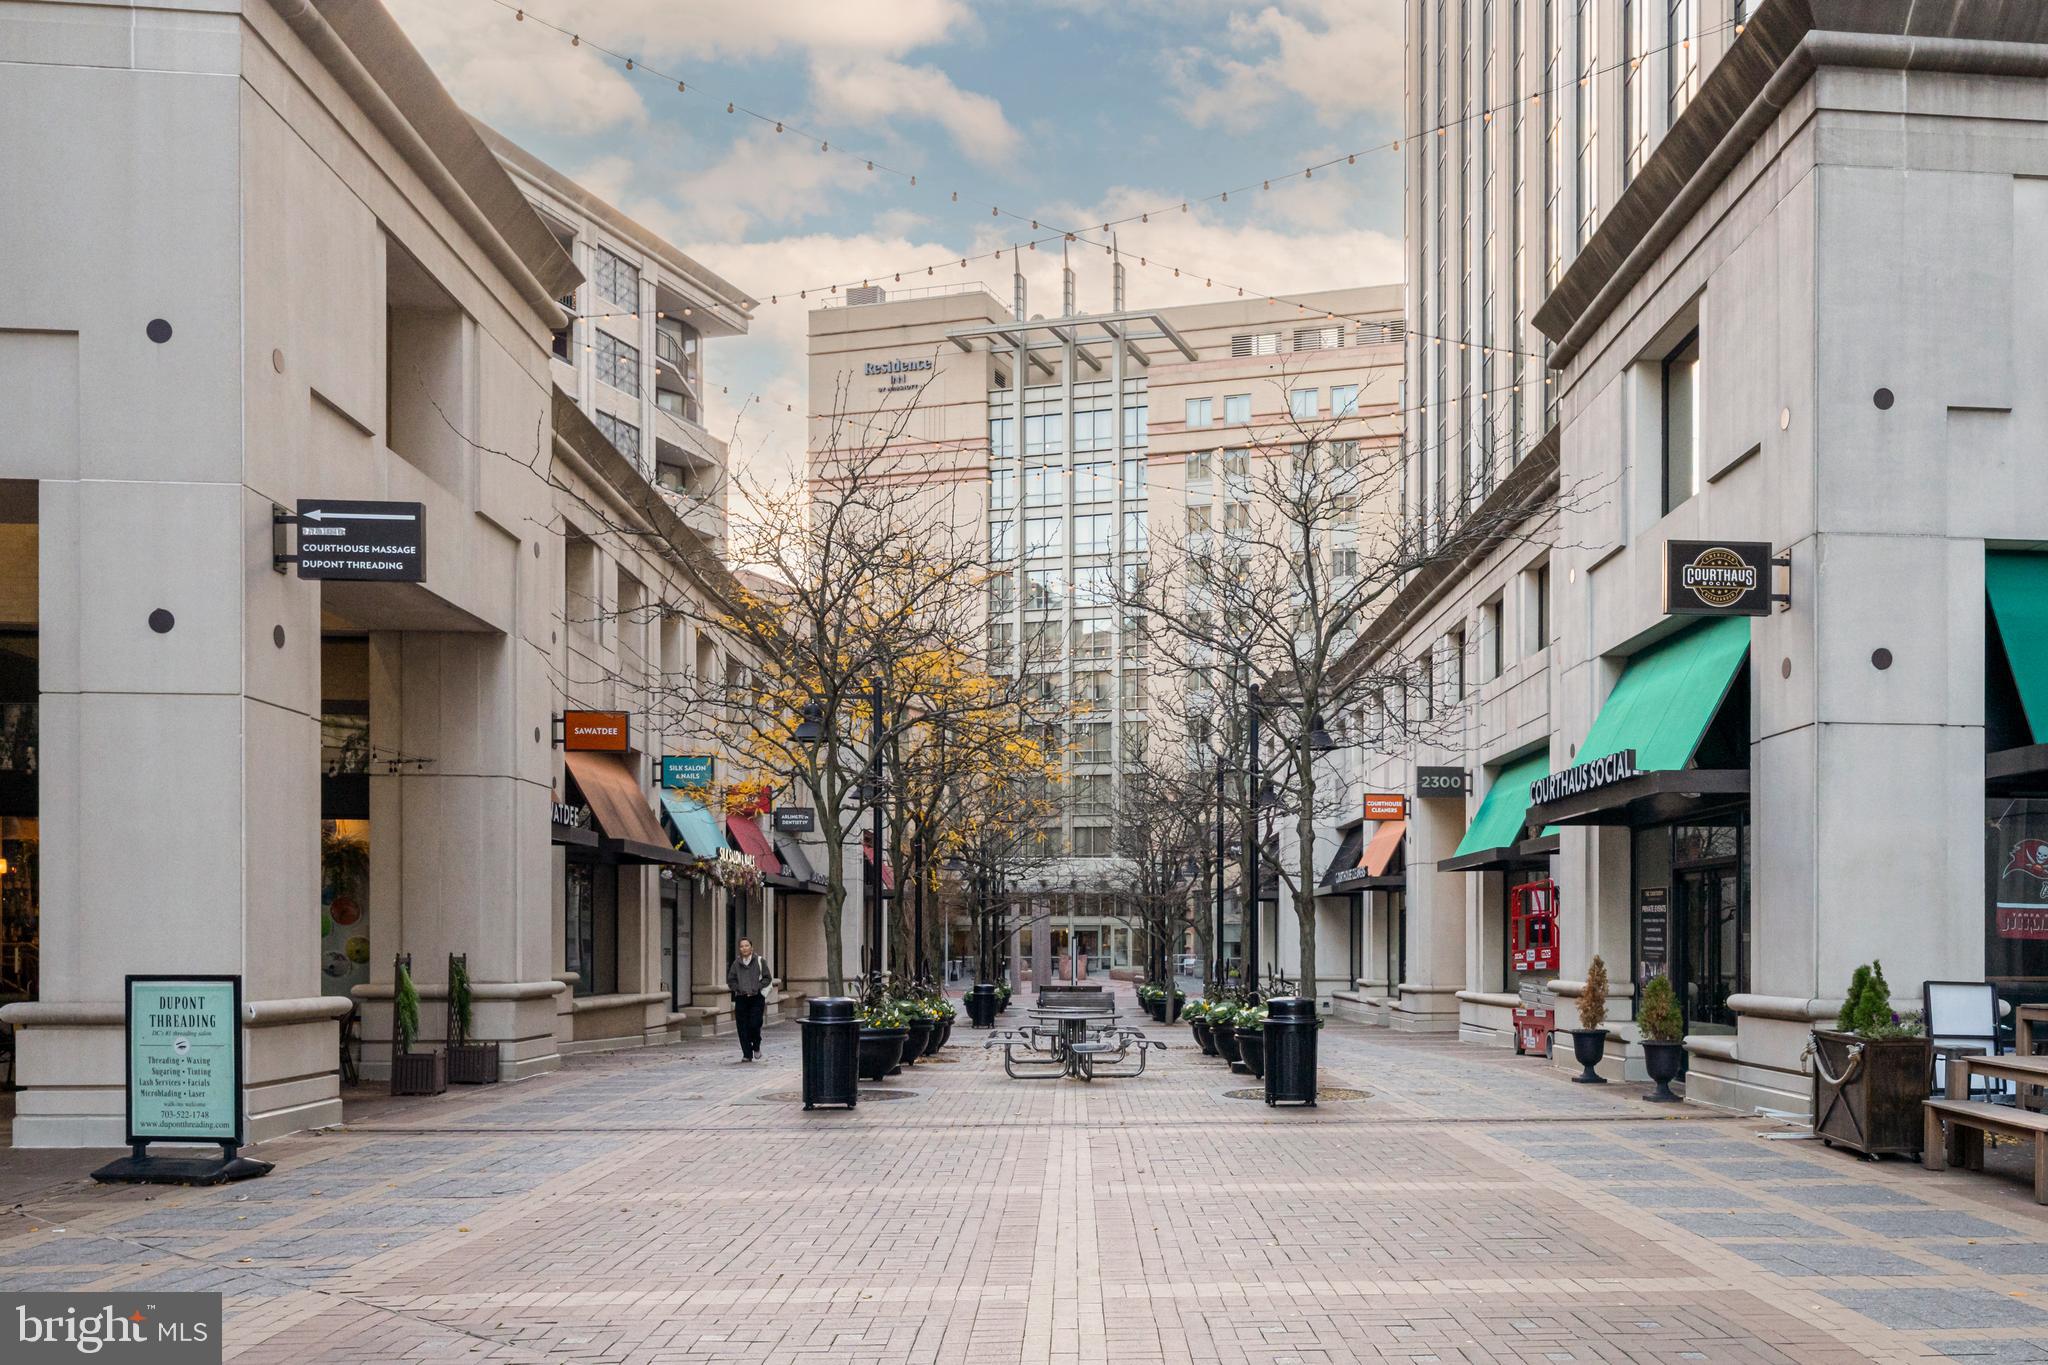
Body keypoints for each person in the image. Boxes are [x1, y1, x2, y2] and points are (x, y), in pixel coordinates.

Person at [727, 938, 771, 1062]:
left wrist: (757, 987)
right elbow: (731, 980)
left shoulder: (760, 961)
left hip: (756, 998)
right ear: (739, 949)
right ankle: (747, 1054)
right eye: (742, 946)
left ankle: (756, 1045)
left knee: (755, 1023)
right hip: (741, 998)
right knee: (742, 1027)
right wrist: (738, 988)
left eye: (747, 946)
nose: (744, 948)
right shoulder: (736, 963)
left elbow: (767, 978)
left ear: (751, 948)